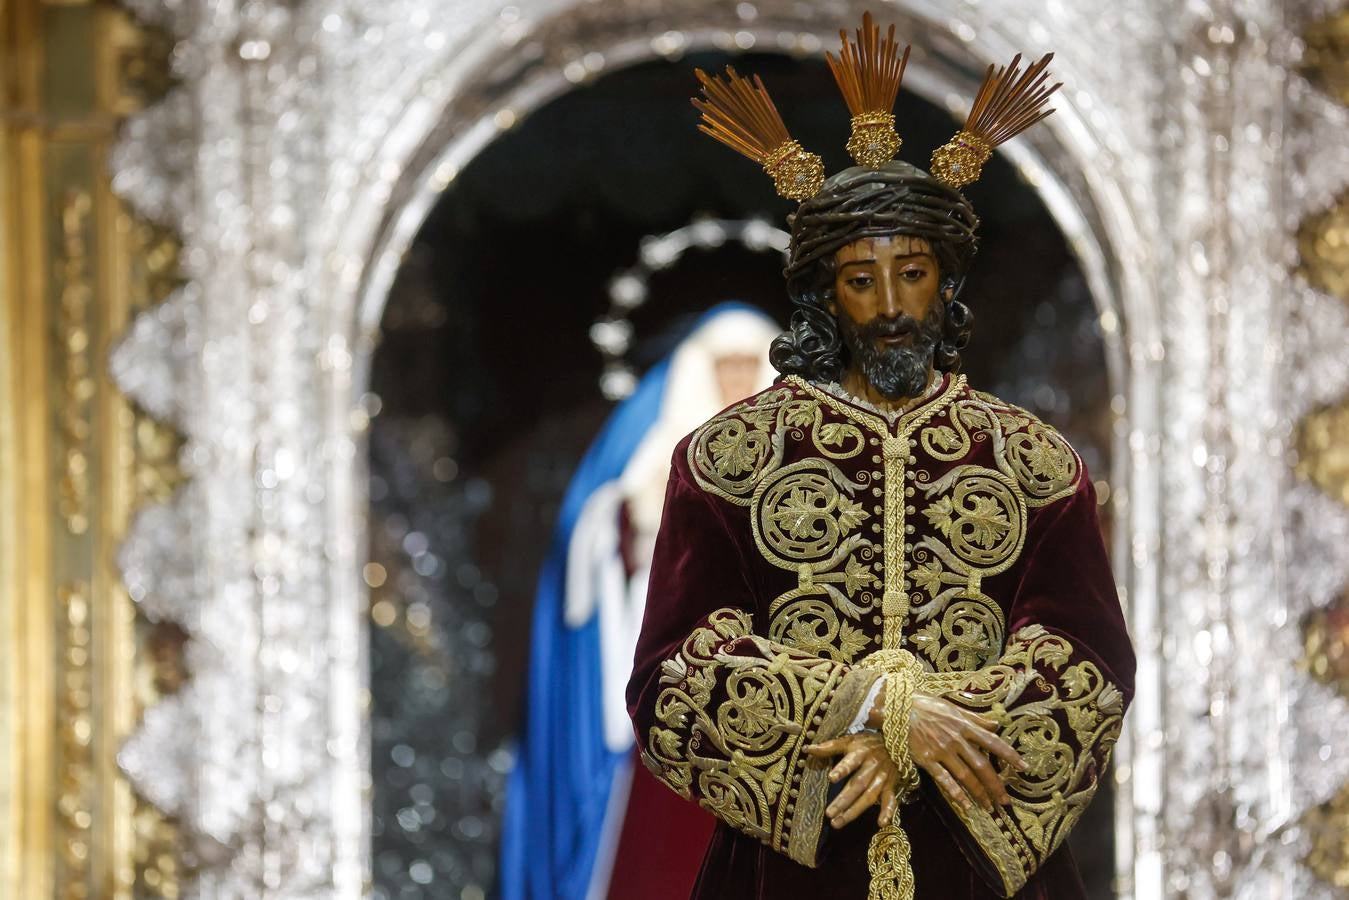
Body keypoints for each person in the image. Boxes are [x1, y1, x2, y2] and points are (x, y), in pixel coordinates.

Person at [625, 14, 1134, 900]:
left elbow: (1087, 660)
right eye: (862, 280)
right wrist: (876, 707)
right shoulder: (729, 460)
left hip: (980, 862)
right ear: (827, 293)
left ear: (948, 281)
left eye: (915, 274)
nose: (892, 304)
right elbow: (674, 674)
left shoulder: (1032, 462)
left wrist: (940, 737)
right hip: (792, 864)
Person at [500, 304, 781, 900]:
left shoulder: (796, 439)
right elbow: (593, 528)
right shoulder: (654, 435)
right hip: (671, 672)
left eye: (747, 366)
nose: (734, 382)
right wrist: (632, 524)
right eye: (724, 367)